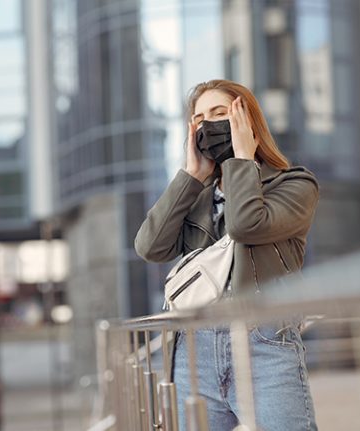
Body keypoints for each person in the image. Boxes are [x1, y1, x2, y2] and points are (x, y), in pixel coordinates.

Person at [135, 79, 319, 430]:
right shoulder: (196, 196)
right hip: (195, 349)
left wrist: (243, 158)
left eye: (220, 114)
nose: (208, 124)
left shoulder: (295, 184)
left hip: (265, 343)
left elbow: (246, 225)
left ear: (247, 121)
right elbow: (150, 246)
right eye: (200, 118)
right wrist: (190, 176)